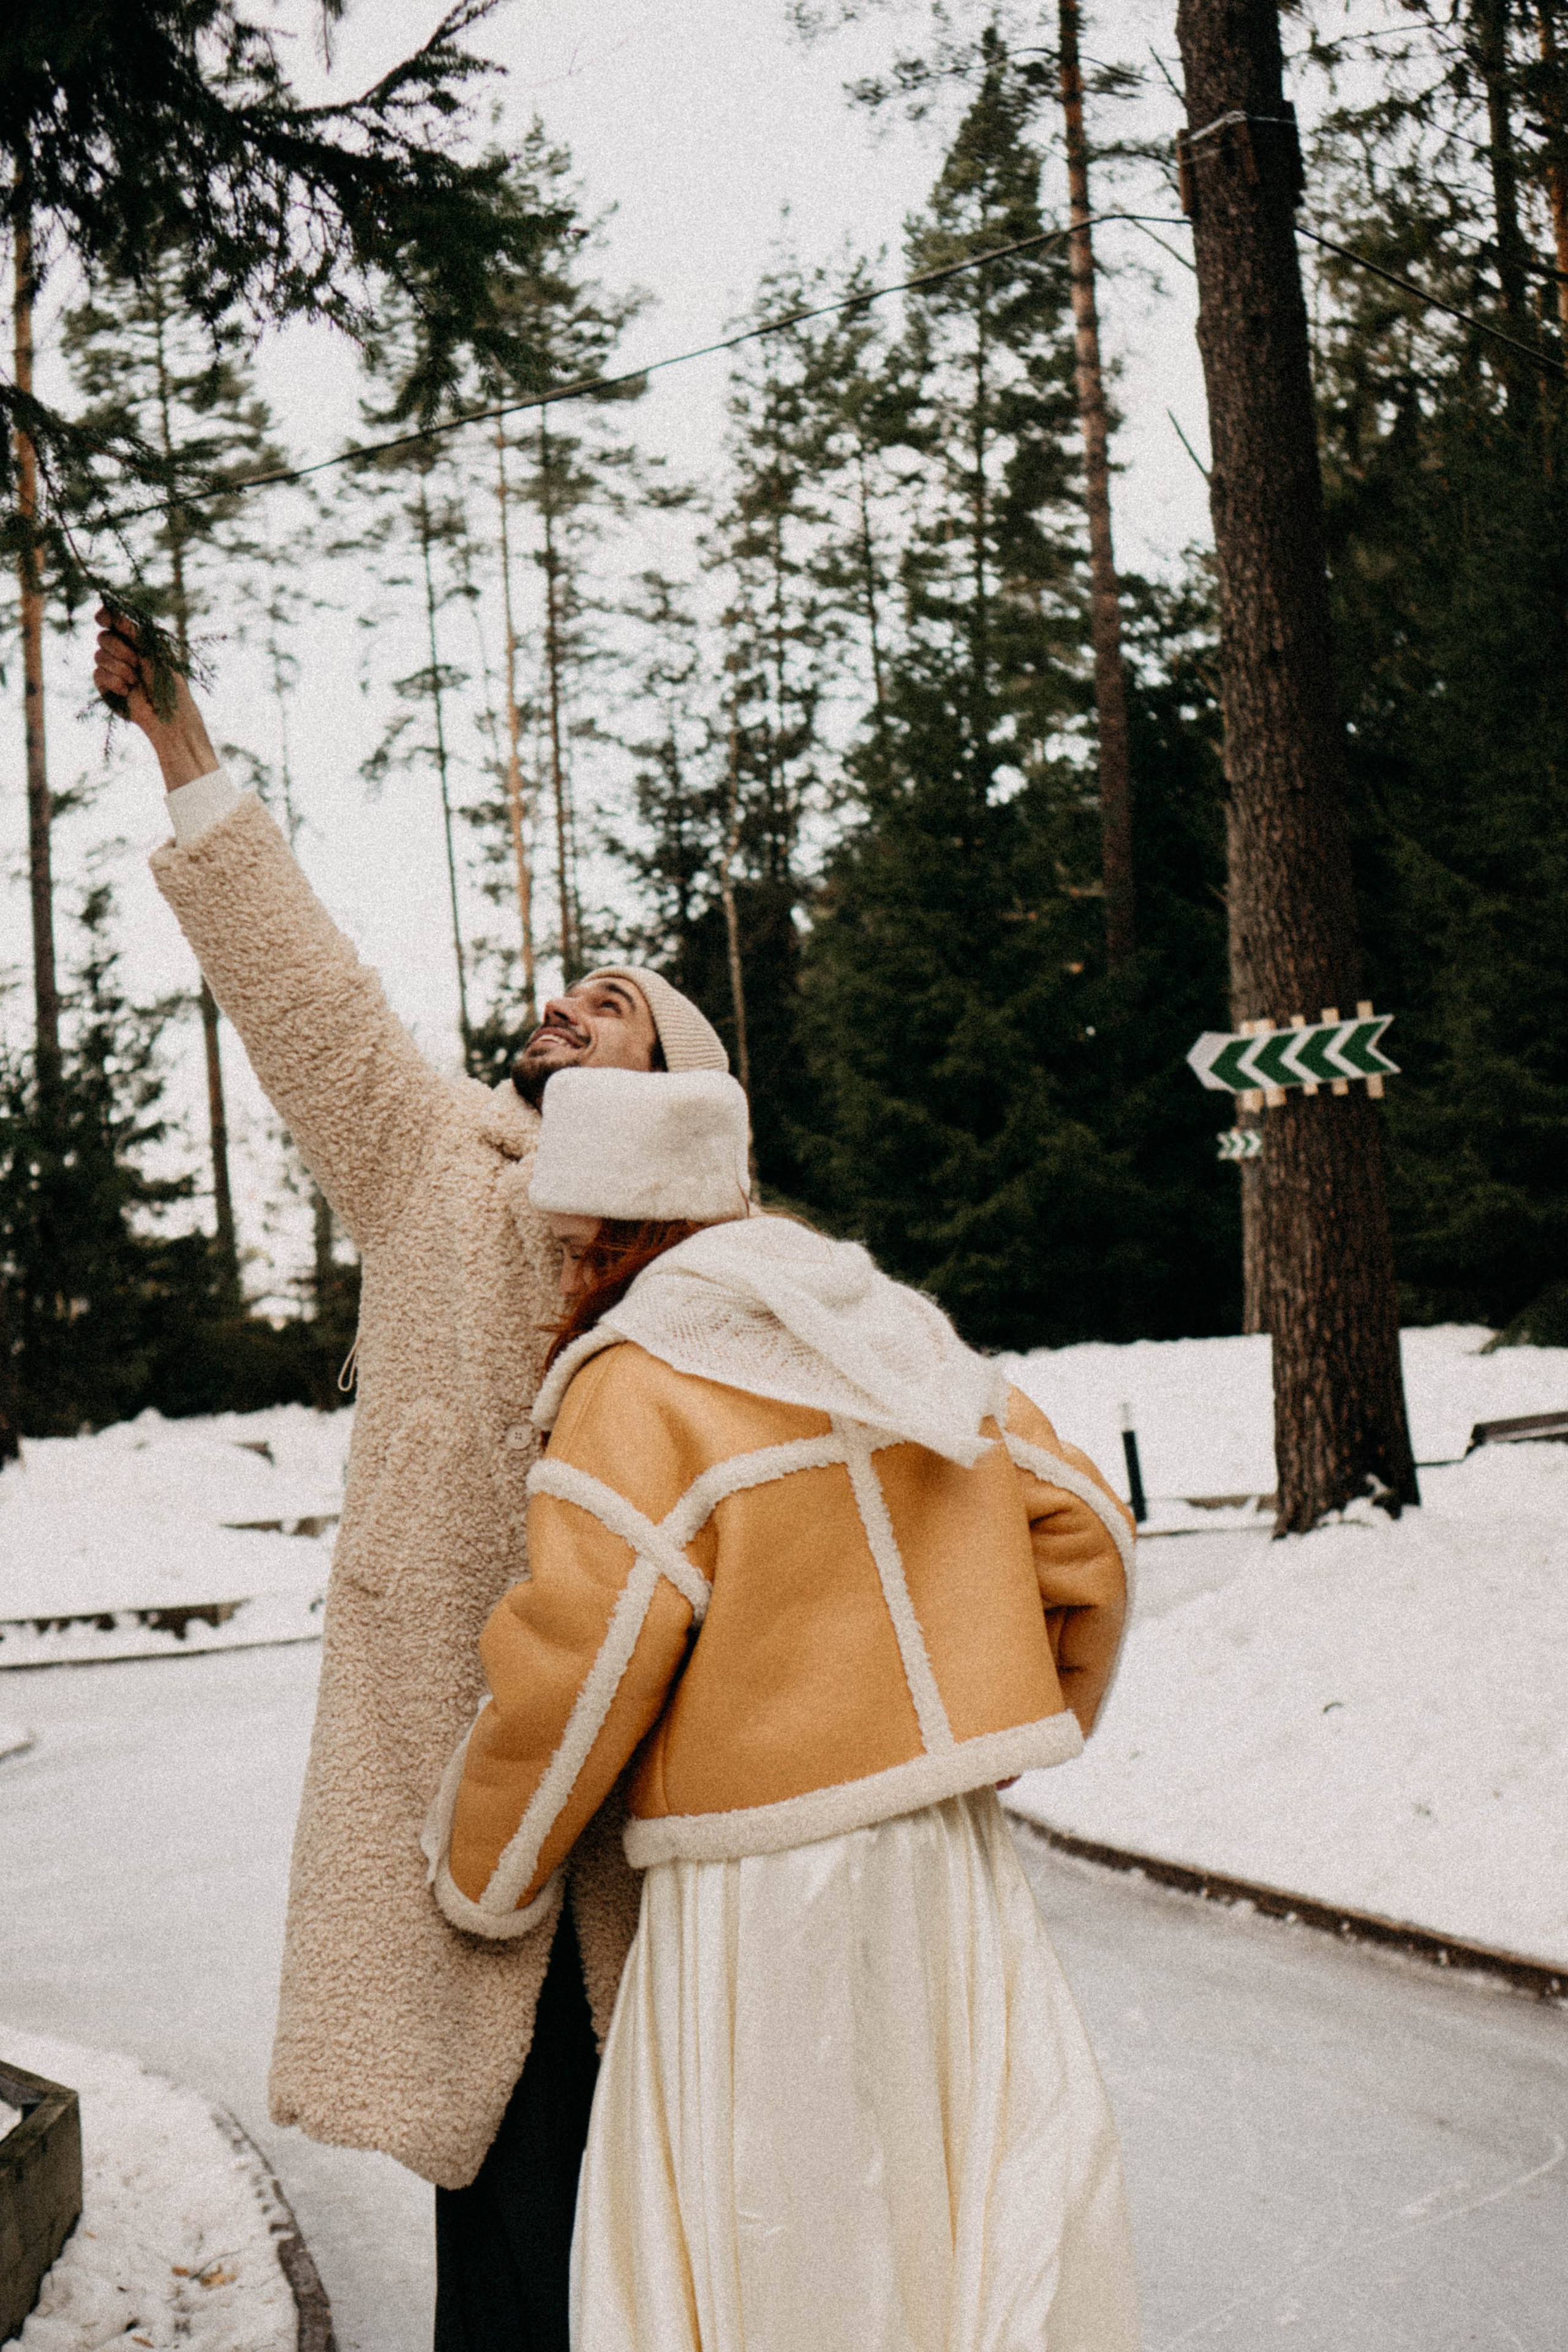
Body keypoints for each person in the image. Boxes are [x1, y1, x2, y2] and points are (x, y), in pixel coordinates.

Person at [91, 615, 725, 2350]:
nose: (557, 1008)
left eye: (604, 1011)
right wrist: (182, 737)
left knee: (660, 2244)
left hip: (654, 1843)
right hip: (472, 1811)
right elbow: (299, 980)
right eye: (560, 992)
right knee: (506, 2236)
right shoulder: (439, 1165)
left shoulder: (717, 1275)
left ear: (675, 1091)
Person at [426, 1063, 1143, 2352]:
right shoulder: (897, 1332)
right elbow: (1087, 1530)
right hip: (946, 1864)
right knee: (965, 2188)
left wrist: (491, 1868)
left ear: (600, 1223)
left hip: (753, 1886)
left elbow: (581, 1658)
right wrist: (1032, 1713)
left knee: (786, 2221)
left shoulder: (632, 1383)